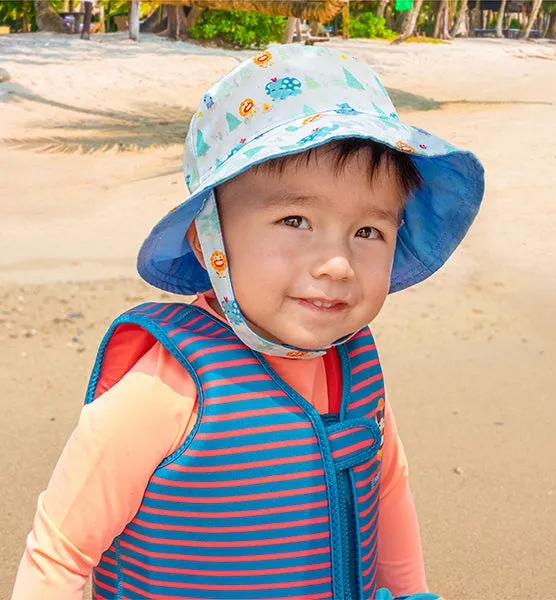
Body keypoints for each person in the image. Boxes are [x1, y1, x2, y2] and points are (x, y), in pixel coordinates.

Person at [11, 44, 484, 599]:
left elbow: (387, 491)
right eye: (295, 219)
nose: (336, 264)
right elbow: (59, 553)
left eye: (368, 232)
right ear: (208, 237)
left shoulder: (356, 378)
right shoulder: (166, 391)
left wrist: (410, 594)